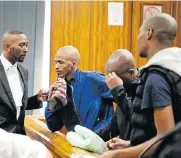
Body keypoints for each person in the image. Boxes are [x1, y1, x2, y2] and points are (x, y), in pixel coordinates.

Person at [99, 13, 181, 158]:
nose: (137, 38)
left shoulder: (156, 77)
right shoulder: (174, 70)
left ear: (149, 33)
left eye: (139, 33)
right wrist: (130, 144)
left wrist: (117, 155)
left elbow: (165, 139)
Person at [45, 46, 114, 132]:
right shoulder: (60, 89)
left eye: (60, 62)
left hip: (100, 139)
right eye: (55, 62)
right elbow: (53, 127)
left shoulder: (94, 79)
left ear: (73, 64)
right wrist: (51, 105)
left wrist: (106, 128)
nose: (56, 66)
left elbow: (123, 98)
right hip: (76, 141)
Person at [0, 30, 47, 135]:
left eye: (26, 45)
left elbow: (15, 105)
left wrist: (37, 99)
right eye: (22, 45)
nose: (26, 49)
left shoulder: (23, 70)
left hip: (19, 134)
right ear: (8, 47)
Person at [98, 49, 137, 143]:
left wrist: (118, 91)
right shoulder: (123, 90)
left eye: (114, 76)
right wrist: (92, 137)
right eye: (109, 76)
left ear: (131, 73)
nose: (111, 81)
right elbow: (114, 125)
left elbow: (137, 118)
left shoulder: (145, 86)